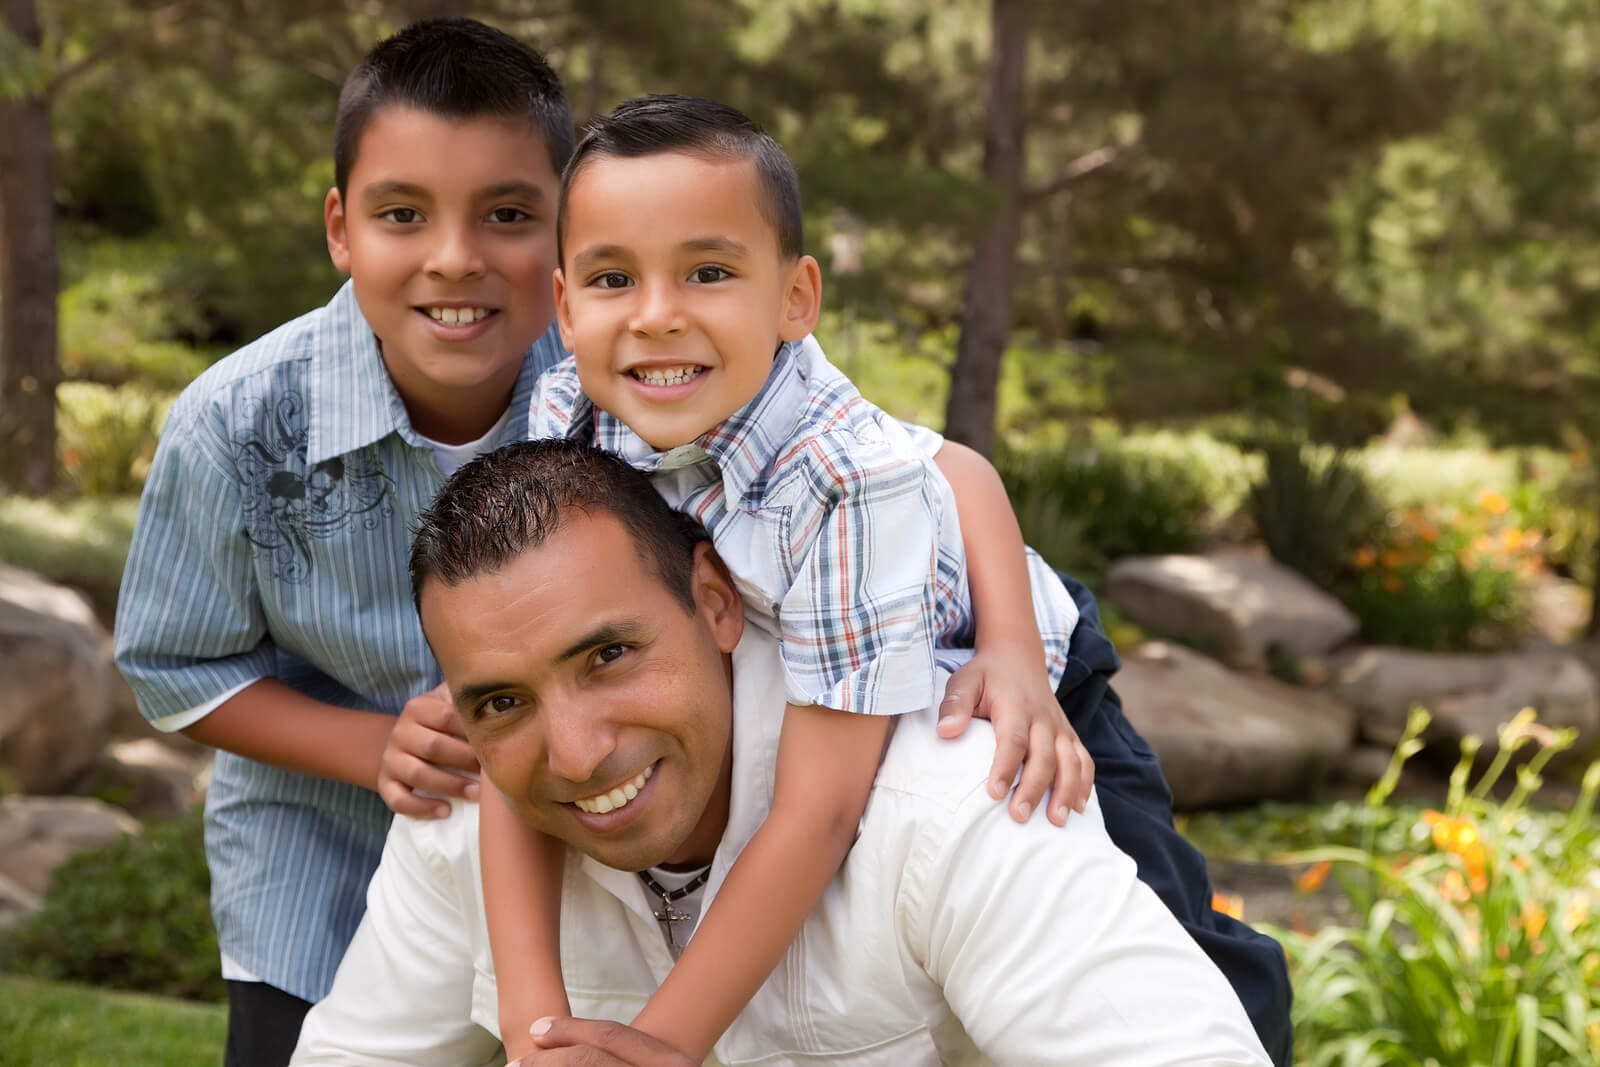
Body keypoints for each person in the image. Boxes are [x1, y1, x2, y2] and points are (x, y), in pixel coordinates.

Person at [488, 94, 1292, 1065]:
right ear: (566, 306)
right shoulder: (566, 408)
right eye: (615, 277)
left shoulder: (839, 478)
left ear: (795, 297)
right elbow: (952, 461)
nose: (657, 315)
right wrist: (535, 1031)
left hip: (1012, 644)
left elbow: (821, 807)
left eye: (707, 271)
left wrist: (663, 1041)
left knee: (1150, 925)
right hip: (820, 615)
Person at [290, 438, 1272, 1066]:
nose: (579, 753)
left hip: (1031, 666)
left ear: (717, 601)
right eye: (501, 698)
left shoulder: (952, 793)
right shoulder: (474, 804)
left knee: (1224, 973)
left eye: (609, 654)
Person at [112, 20, 573, 1065]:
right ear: (340, 227)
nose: (455, 258)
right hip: (319, 871)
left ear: (564, 230)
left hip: (570, 866)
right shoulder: (235, 421)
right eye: (402, 213)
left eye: (507, 214)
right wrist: (376, 751)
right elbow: (174, 665)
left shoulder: (617, 397)